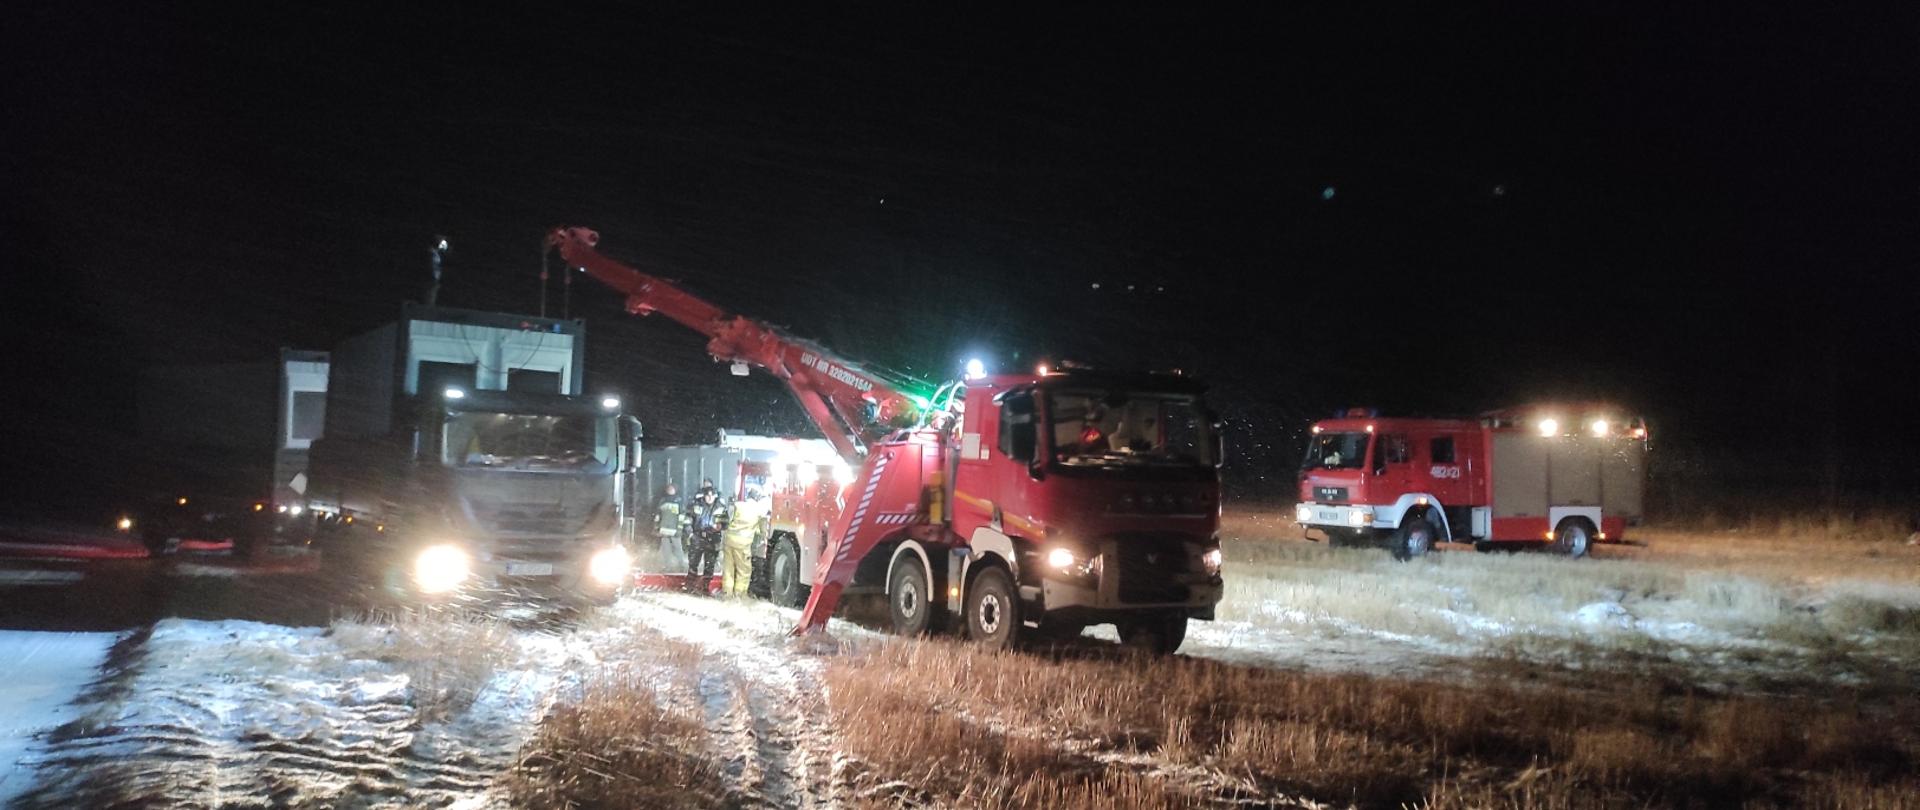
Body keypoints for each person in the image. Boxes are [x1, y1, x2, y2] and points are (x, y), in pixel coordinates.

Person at [722, 485, 770, 597]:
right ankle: (739, 595)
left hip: (728, 541)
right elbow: (762, 531)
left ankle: (727, 593)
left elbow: (727, 519)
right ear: (757, 497)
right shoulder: (759, 510)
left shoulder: (738, 505)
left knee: (728, 570)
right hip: (742, 545)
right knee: (743, 572)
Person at [683, 483, 730, 595]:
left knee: (710, 565)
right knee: (693, 563)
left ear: (715, 496)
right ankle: (690, 586)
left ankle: (705, 588)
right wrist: (690, 534)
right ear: (704, 496)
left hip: (713, 539)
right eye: (707, 495)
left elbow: (726, 523)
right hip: (698, 537)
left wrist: (720, 526)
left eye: (712, 495)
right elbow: (687, 520)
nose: (709, 497)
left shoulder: (720, 507)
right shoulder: (696, 505)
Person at [652, 483, 686, 572]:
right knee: (666, 550)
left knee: (678, 549)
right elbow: (658, 515)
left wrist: (679, 529)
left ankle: (681, 566)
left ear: (675, 489)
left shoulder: (679, 501)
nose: (670, 490)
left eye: (672, 488)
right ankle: (668, 567)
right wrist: (656, 528)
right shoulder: (662, 501)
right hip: (664, 530)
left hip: (675, 531)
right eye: (669, 488)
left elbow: (682, 516)